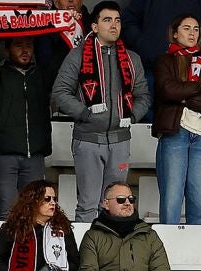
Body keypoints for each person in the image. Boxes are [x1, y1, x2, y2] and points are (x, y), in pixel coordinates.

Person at [53, 2, 152, 225]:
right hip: (87, 140)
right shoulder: (77, 56)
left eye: (117, 20)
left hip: (120, 141)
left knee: (117, 203)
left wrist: (132, 116)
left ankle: (112, 255)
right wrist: (86, 113)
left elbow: (143, 96)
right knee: (88, 204)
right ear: (95, 26)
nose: (114, 25)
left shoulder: (132, 59)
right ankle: (88, 255)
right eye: (107, 20)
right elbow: (59, 92)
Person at [150, 15, 201, 227]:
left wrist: (187, 98)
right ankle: (170, 251)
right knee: (172, 199)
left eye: (196, 29)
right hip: (175, 132)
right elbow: (168, 89)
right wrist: (200, 88)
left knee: (200, 200)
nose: (192, 33)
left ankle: (196, 252)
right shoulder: (164, 60)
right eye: (186, 28)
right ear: (175, 33)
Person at [77, 183, 172, 271]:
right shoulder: (93, 235)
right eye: (121, 199)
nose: (128, 203)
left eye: (131, 199)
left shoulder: (149, 235)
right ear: (106, 204)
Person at [0, 40, 56, 209]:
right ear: (7, 50)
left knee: (33, 211)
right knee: (6, 210)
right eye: (18, 46)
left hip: (34, 155)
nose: (24, 50)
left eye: (28, 45)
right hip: (4, 154)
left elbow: (58, 55)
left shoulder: (41, 75)